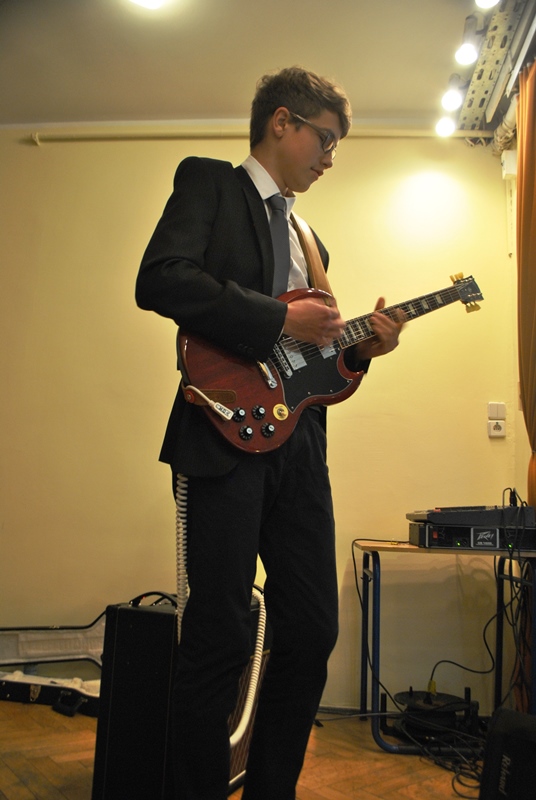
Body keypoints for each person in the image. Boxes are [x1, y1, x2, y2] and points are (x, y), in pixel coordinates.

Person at [135, 66, 404, 800]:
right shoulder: (210, 184)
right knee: (217, 636)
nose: (330, 158)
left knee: (313, 629)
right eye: (326, 139)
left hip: (300, 448)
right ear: (282, 122)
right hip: (221, 433)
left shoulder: (312, 239)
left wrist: (359, 351)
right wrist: (280, 316)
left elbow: (308, 366)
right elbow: (160, 278)